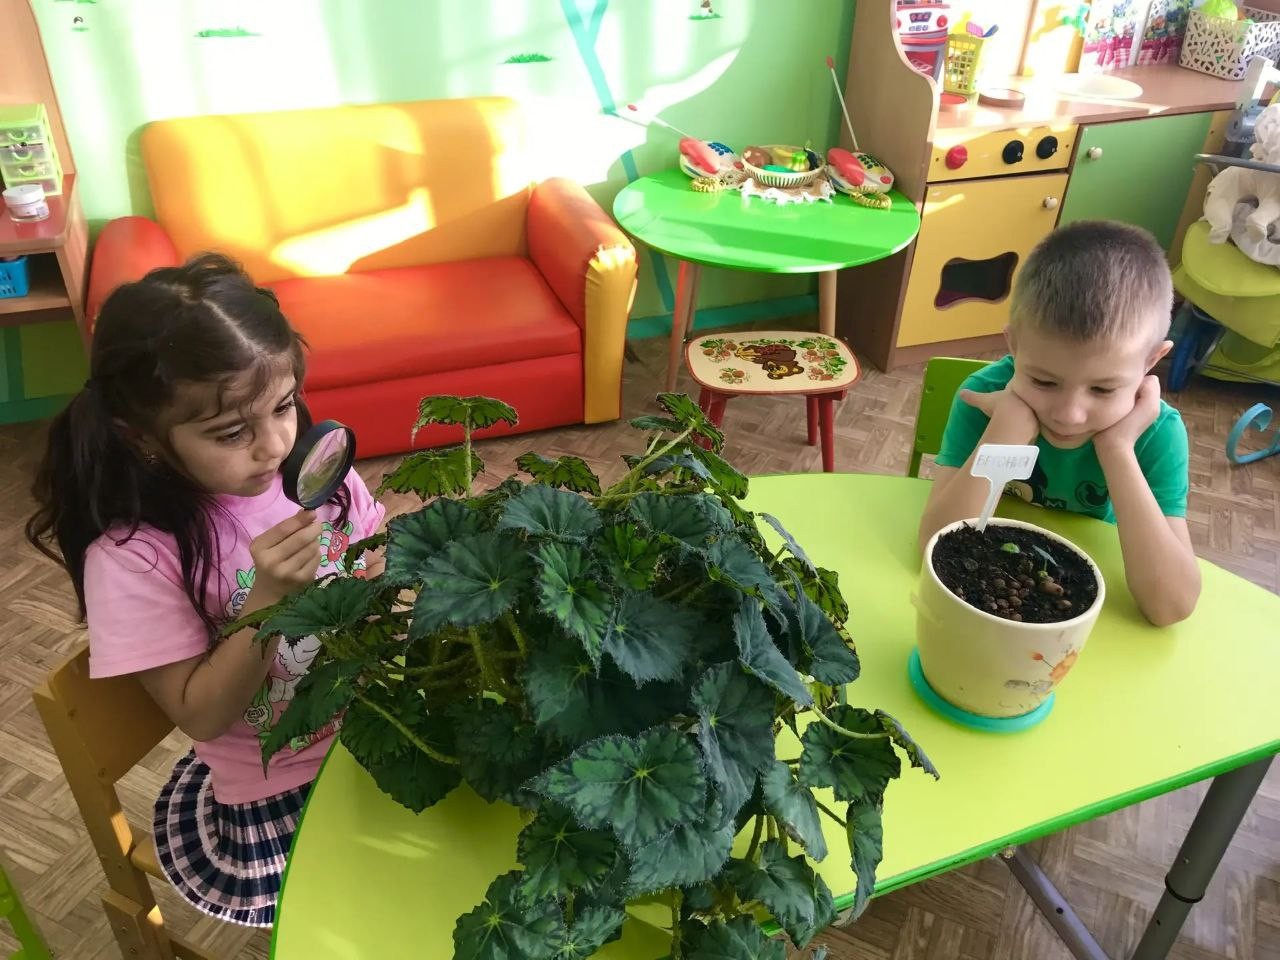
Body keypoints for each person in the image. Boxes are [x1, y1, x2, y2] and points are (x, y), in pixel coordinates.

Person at [26, 253, 385, 927]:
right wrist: (268, 601)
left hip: (374, 724)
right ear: (143, 437)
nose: (275, 445)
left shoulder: (317, 470)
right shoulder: (132, 558)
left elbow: (373, 562)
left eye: (284, 406)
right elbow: (201, 716)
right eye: (232, 432)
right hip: (283, 785)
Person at [918, 220, 1200, 626]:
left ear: (1151, 361)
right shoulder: (985, 400)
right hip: (987, 595)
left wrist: (1117, 448)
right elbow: (932, 546)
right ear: (1014, 344)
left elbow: (1170, 607)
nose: (1069, 414)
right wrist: (1006, 431)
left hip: (1079, 604)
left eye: (1103, 389)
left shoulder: (1157, 432)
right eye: (1043, 381)